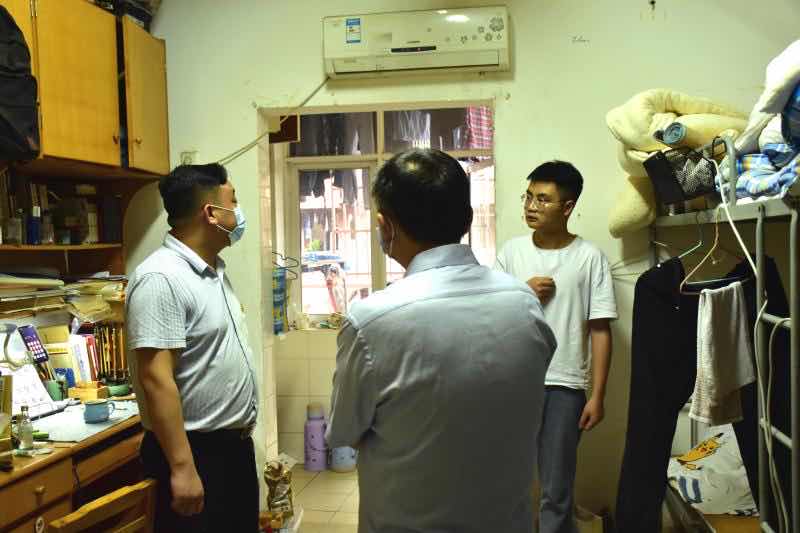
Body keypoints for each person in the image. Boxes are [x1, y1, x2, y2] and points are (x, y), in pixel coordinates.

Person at [326, 148, 556, 533]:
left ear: (385, 226)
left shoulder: (371, 322)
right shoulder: (524, 304)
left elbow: (343, 432)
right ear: (468, 219)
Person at [126, 163, 259, 533]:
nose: (239, 211)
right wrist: (183, 468)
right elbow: (156, 378)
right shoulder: (161, 278)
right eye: (234, 201)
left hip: (231, 452)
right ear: (211, 213)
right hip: (195, 455)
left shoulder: (212, 271)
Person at [495, 161, 617, 533]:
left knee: (556, 488)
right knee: (506, 482)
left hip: (565, 385)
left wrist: (597, 396)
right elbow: (491, 318)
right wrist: (522, 292)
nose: (531, 206)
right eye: (529, 197)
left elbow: (600, 330)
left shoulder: (589, 257)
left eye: (543, 199)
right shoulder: (511, 253)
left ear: (567, 207)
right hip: (514, 383)